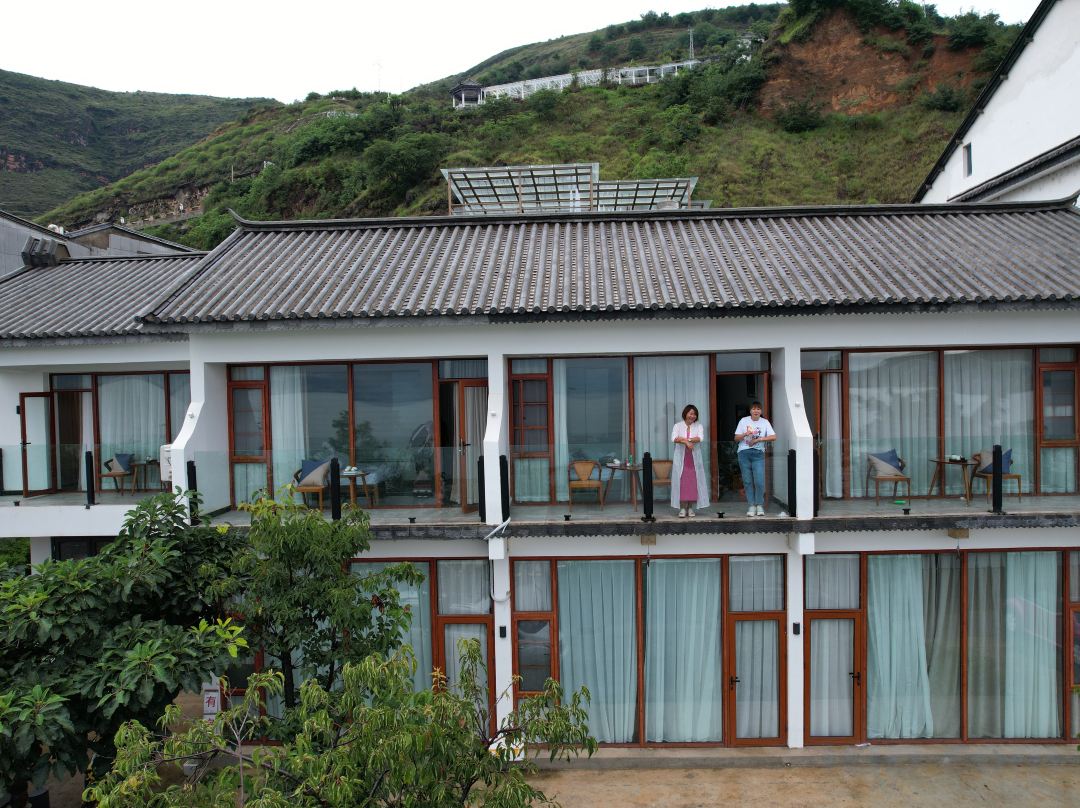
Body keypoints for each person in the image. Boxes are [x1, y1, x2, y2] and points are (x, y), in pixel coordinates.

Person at [734, 401, 776, 517]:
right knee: (747, 481)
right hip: (744, 453)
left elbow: (773, 436)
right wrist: (745, 434)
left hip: (758, 453)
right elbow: (736, 438)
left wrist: (758, 439)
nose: (756, 411)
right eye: (753, 409)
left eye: (758, 409)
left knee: (759, 481)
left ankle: (759, 505)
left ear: (761, 411)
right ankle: (751, 505)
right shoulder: (744, 421)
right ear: (750, 411)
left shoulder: (765, 422)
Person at [671, 403, 709, 518]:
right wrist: (686, 442)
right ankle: (683, 508)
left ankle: (691, 508)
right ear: (685, 413)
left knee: (693, 483)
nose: (693, 416)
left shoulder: (699, 426)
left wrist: (685, 440)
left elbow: (700, 438)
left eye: (695, 414)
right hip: (681, 459)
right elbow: (674, 438)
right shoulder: (677, 426)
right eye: (691, 413)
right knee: (682, 483)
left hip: (693, 459)